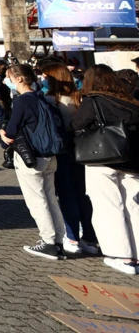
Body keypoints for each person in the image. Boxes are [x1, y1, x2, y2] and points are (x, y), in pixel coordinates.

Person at [72, 65, 139, 275]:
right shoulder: (131, 101)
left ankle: (122, 256)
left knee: (108, 206)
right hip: (132, 161)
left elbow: (76, 124)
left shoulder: (93, 100)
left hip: (102, 159)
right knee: (134, 207)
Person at [1, 63, 66, 259]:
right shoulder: (42, 98)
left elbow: (12, 129)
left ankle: (48, 242)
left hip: (31, 157)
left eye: (9, 77)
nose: (8, 81)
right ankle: (59, 241)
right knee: (50, 199)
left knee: (36, 201)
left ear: (19, 79)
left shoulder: (22, 101)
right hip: (49, 154)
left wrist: (3, 134)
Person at [41, 62, 100, 256]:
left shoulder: (49, 99)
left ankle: (72, 236)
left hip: (62, 152)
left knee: (67, 196)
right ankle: (90, 237)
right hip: (82, 150)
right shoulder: (79, 97)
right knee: (83, 195)